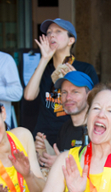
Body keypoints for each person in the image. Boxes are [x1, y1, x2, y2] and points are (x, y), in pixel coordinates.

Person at [24, 18, 99, 146]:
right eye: (48, 32)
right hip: (44, 137)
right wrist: (44, 58)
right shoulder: (43, 68)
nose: (52, 35)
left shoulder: (85, 69)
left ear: (71, 40)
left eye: (58, 31)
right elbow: (29, 96)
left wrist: (76, 77)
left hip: (73, 135)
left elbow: (95, 102)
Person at [35, 70, 94, 170]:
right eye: (64, 92)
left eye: (75, 92)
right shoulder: (65, 128)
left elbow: (100, 165)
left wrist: (61, 163)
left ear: (89, 95)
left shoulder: (98, 128)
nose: (68, 97)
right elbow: (59, 158)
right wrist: (45, 148)